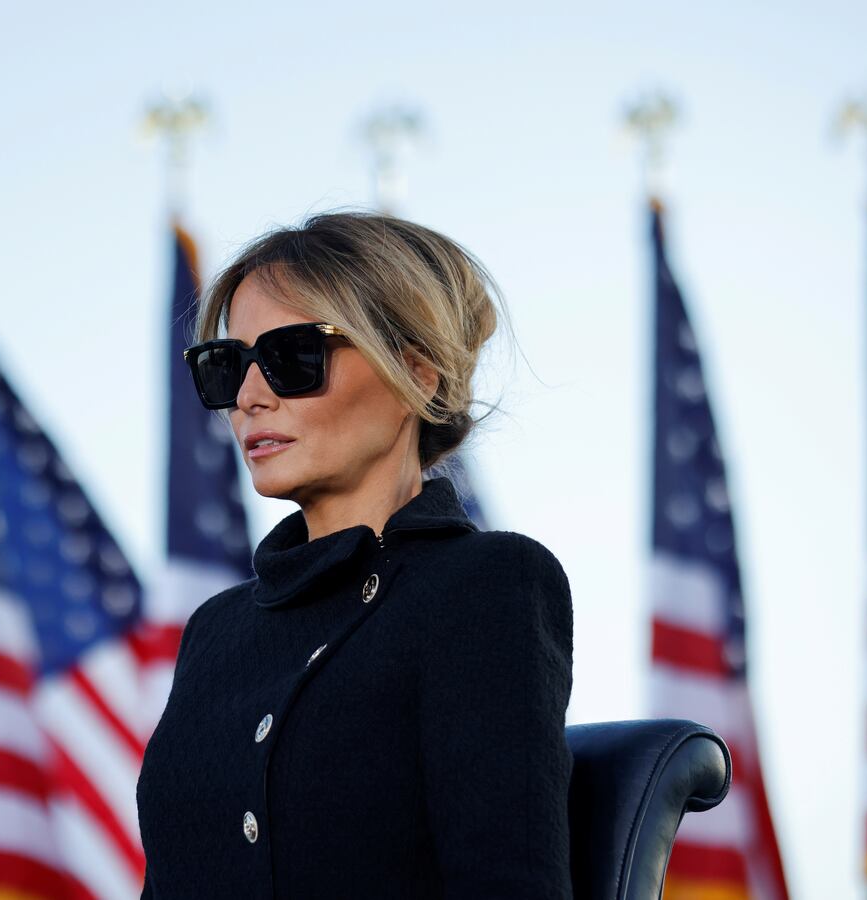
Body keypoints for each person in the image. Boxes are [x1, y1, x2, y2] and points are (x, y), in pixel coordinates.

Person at [135, 211, 575, 898]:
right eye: (226, 366)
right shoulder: (214, 631)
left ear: (418, 375)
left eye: (292, 357)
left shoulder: (486, 585)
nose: (248, 397)